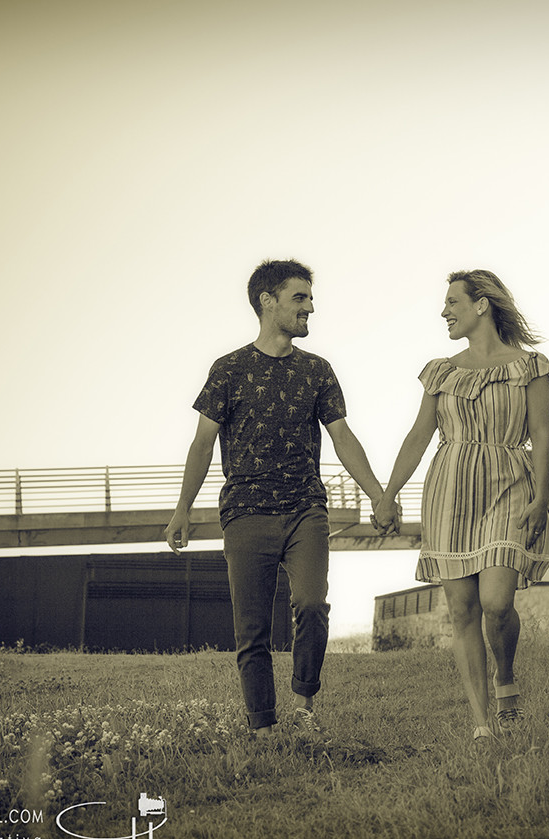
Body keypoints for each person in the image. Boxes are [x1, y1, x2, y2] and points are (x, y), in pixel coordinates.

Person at [165, 258, 392, 738]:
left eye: (309, 298)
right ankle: (263, 728)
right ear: (267, 302)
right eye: (300, 298)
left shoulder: (317, 371)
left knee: (311, 604)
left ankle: (305, 699)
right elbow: (203, 443)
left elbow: (343, 437)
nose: (310, 307)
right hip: (246, 513)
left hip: (305, 509)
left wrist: (377, 494)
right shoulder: (228, 370)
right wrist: (182, 509)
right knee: (252, 630)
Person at [373, 269, 549, 741]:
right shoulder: (441, 371)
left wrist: (542, 498)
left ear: (481, 305)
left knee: (497, 602)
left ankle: (506, 677)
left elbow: (540, 437)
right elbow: (420, 435)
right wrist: (389, 492)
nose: (444, 311)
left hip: (508, 485)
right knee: (462, 611)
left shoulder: (530, 367)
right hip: (450, 492)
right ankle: (483, 725)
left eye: (453, 302)